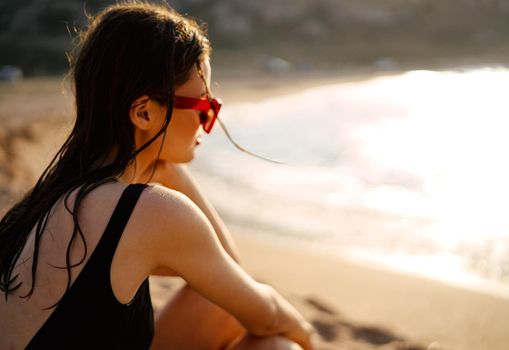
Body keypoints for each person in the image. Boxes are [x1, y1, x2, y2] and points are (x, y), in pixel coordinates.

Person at [0, 2, 314, 349]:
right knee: (279, 347)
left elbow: (226, 280)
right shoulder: (152, 212)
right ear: (144, 112)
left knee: (215, 298)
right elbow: (264, 312)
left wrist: (163, 164)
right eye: (204, 108)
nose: (206, 124)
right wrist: (309, 338)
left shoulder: (42, 202)